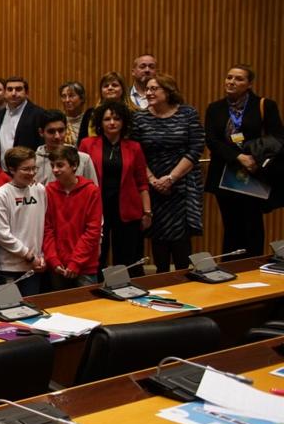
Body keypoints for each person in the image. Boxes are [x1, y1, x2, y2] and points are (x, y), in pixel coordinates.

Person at [205, 64, 282, 259]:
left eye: (239, 79)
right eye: (229, 77)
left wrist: (254, 159)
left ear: (249, 84)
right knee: (231, 225)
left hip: (254, 173)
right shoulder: (215, 108)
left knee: (252, 224)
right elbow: (212, 141)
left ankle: (252, 267)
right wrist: (239, 157)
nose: (232, 82)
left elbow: (278, 137)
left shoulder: (265, 105)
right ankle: (231, 267)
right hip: (225, 174)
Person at [133, 73, 204, 273]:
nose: (148, 92)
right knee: (159, 239)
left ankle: (184, 284)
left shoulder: (187, 113)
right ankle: (161, 283)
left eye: (154, 89)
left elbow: (196, 148)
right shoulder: (140, 117)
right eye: (147, 89)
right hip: (153, 186)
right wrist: (153, 180)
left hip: (182, 185)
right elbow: (137, 154)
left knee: (181, 242)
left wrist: (171, 178)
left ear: (168, 91)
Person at [79, 101, 150, 271]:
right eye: (107, 119)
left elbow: (142, 182)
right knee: (98, 254)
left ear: (123, 122)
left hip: (127, 207)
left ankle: (127, 289)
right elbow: (80, 179)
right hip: (97, 206)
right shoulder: (87, 144)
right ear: (100, 123)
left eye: (116, 119)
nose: (112, 123)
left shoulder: (134, 147)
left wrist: (147, 212)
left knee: (127, 256)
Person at [43, 145, 103, 288]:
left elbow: (93, 231)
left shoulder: (91, 191)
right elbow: (47, 229)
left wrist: (76, 262)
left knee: (87, 307)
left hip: (85, 265)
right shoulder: (48, 191)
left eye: (60, 165)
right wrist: (53, 260)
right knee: (58, 307)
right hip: (58, 266)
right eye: (52, 165)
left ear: (74, 165)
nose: (55, 170)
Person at [0, 147, 47, 295]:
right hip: (9, 267)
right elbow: (2, 234)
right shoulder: (1, 195)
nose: (31, 173)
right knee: (10, 311)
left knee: (34, 311)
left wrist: (40, 256)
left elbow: (43, 224)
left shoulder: (40, 190)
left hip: (34, 266)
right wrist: (28, 255)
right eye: (25, 169)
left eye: (33, 168)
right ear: (12, 169)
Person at [34, 110, 99, 186]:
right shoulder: (33, 162)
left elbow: (93, 191)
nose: (57, 136)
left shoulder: (83, 159)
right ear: (41, 132)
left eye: (61, 130)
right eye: (51, 131)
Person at [0, 76, 47, 159]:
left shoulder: (38, 114)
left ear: (26, 92)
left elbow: (42, 144)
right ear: (5, 93)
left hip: (28, 169)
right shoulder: (0, 115)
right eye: (10, 89)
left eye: (18, 89)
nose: (13, 93)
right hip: (3, 170)